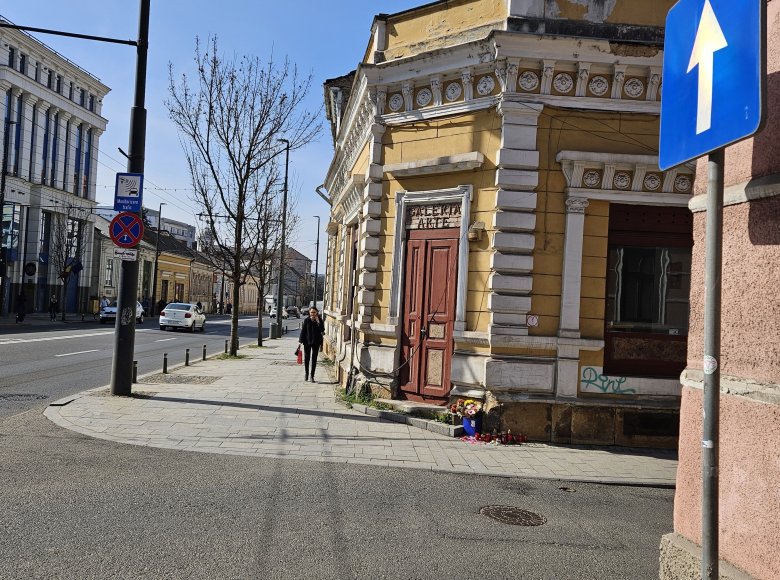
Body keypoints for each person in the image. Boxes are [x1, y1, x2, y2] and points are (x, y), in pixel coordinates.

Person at [298, 307, 325, 382]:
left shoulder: (319, 320)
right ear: (309, 313)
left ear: (317, 313)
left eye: (314, 312)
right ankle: (306, 374)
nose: (313, 314)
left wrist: (318, 322)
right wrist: (300, 341)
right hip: (307, 342)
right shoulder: (306, 320)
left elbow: (322, 330)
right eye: (311, 312)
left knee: (314, 359)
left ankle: (312, 376)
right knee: (307, 358)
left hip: (316, 342)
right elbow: (303, 331)